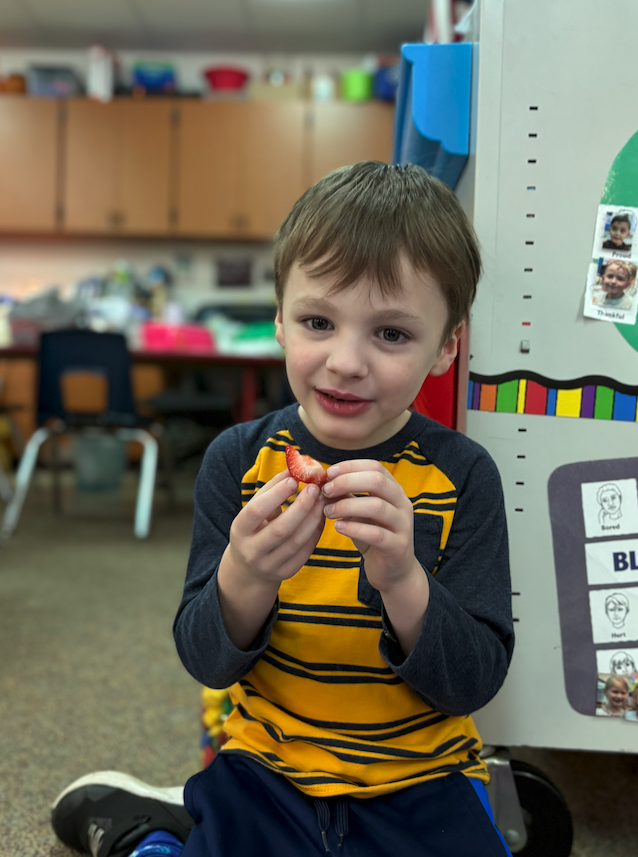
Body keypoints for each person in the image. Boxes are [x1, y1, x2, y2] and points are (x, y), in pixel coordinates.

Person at [51, 162, 514, 857]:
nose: (346, 361)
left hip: (422, 778)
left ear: (447, 344)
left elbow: (472, 682)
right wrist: (246, 574)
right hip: (266, 771)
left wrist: (403, 580)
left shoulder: (464, 476)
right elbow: (207, 661)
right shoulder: (237, 462)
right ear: (279, 321)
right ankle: (142, 834)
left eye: (391, 333)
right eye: (318, 321)